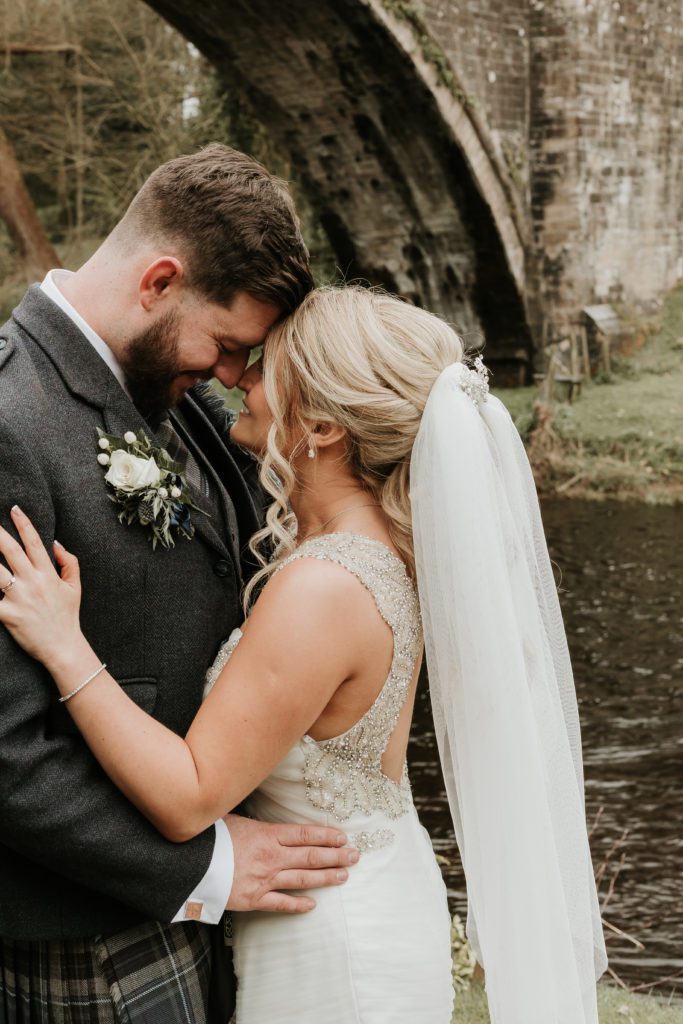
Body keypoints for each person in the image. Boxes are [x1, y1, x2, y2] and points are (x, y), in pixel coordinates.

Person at [0, 286, 608, 1023]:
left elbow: (188, 796)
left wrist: (65, 648)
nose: (241, 379)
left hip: (335, 940)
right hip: (354, 895)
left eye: (267, 367)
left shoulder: (325, 585)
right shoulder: (375, 550)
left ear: (319, 425)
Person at [0, 148, 361, 1024]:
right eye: (230, 346)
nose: (236, 376)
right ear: (160, 280)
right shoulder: (11, 419)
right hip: (89, 936)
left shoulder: (184, 400)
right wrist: (202, 868)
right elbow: (5, 749)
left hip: (214, 915)